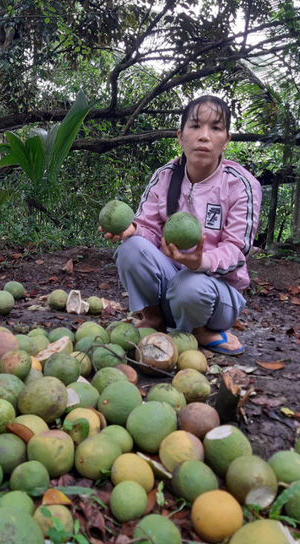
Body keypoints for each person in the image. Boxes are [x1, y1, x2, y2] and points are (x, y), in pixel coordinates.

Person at [102, 95, 262, 355]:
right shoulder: (164, 177)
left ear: (226, 140)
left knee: (190, 284)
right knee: (131, 248)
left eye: (216, 128)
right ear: (180, 136)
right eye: (195, 126)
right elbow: (149, 230)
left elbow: (237, 250)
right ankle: (154, 317)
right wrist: (133, 230)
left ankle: (199, 331)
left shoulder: (240, 185)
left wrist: (200, 263)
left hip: (215, 297)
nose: (204, 136)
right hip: (170, 289)